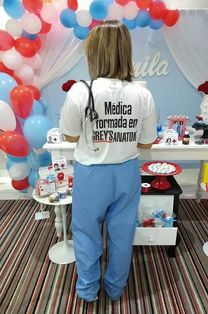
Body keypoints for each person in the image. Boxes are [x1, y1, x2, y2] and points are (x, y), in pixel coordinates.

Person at [59, 20, 157, 302]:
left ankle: (88, 289)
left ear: (94, 53)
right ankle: (115, 287)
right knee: (122, 233)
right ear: (126, 51)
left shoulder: (80, 91)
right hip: (126, 172)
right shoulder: (142, 93)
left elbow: (70, 135)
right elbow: (146, 143)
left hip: (92, 175)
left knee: (86, 233)